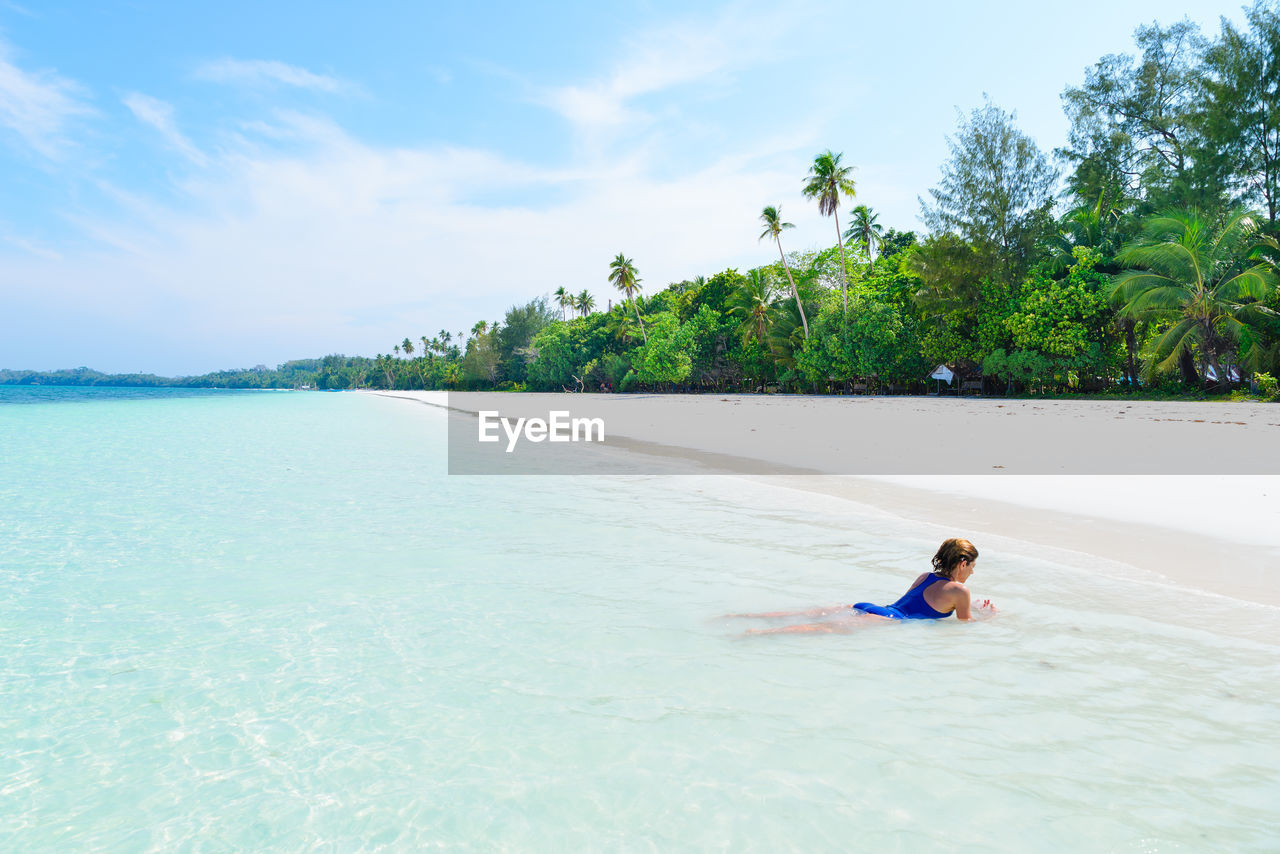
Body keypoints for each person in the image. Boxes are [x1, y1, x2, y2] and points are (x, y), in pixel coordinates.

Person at [730, 538, 993, 634]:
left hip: (872, 607)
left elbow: (914, 601)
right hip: (888, 620)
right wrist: (987, 617)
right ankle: (760, 634)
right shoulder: (961, 591)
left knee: (812, 613)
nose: (972, 572)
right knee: (825, 629)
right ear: (961, 563)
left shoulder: (925, 576)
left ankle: (745, 616)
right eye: (971, 566)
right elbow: (963, 624)